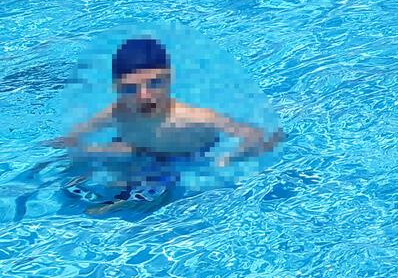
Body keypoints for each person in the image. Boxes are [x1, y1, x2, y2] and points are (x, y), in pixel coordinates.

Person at [53, 37, 283, 207]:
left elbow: (254, 135)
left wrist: (227, 158)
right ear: (116, 87)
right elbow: (78, 134)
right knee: (72, 168)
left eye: (154, 83)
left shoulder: (194, 118)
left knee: (132, 201)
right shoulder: (120, 110)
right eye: (130, 88)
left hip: (180, 157)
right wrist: (70, 144)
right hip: (138, 150)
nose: (144, 96)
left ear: (169, 79)